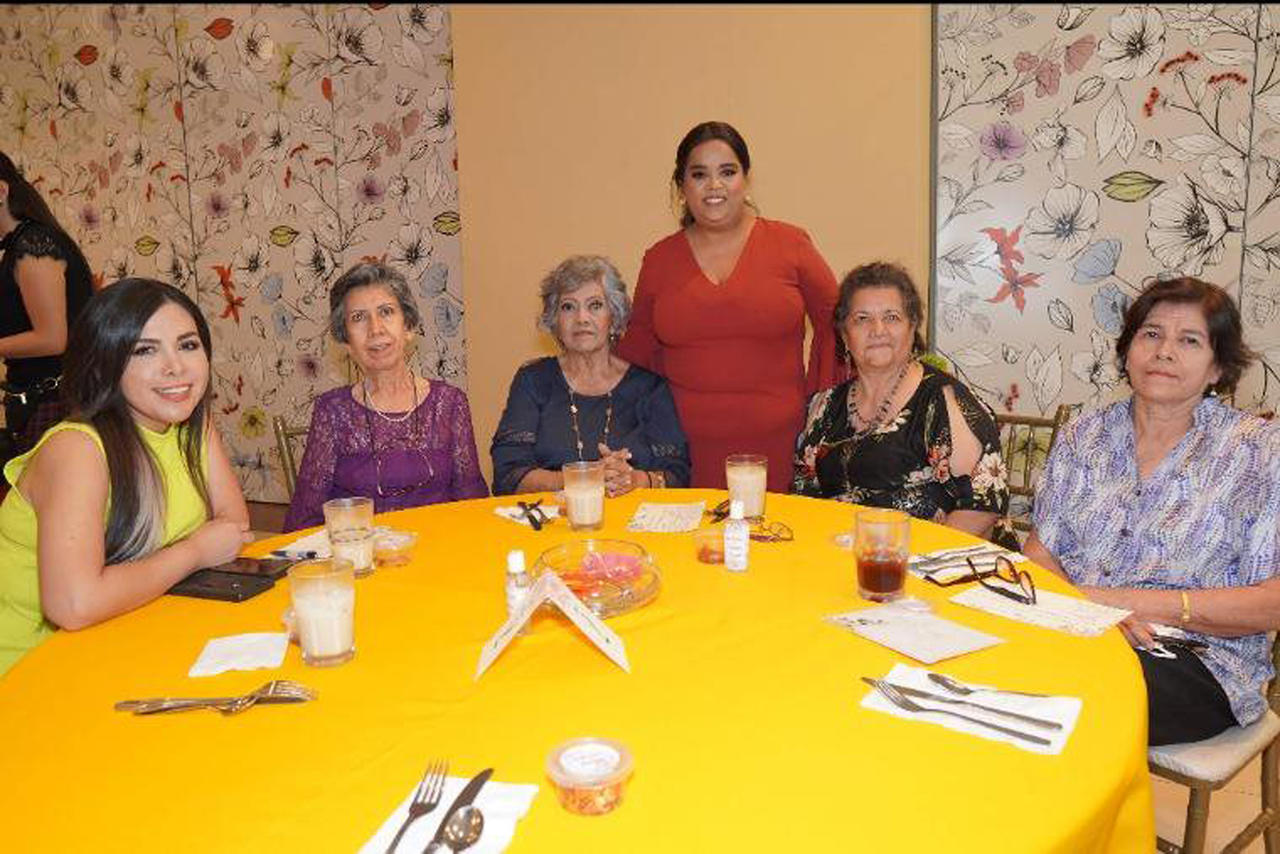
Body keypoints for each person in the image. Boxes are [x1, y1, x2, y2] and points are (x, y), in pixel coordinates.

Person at [1025, 277, 1280, 746]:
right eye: (1151, 334)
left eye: (1189, 340)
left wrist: (1126, 605)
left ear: (1217, 367)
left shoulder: (1259, 452)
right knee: (981, 665)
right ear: (1127, 352)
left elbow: (1272, 601)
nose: (1164, 351)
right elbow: (1040, 550)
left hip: (1199, 658)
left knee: (1058, 702)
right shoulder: (1084, 435)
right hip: (1073, 629)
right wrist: (1085, 614)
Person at [0, 278, 252, 674]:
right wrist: (194, 553)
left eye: (188, 345)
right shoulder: (77, 449)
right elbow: (74, 604)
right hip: (27, 676)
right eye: (144, 350)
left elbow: (233, 527)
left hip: (120, 643)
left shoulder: (191, 427)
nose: (176, 367)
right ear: (105, 363)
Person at [615, 121, 844, 492]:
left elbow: (841, 326)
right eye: (699, 174)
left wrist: (823, 409)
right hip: (683, 458)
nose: (714, 186)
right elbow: (638, 355)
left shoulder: (791, 244)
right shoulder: (658, 259)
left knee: (777, 547)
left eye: (727, 172)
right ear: (681, 186)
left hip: (780, 447)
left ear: (746, 179)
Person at [792, 262, 1008, 537]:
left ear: (912, 326)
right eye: (862, 318)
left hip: (937, 565)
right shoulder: (823, 407)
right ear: (845, 335)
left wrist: (911, 561)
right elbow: (804, 499)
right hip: (844, 559)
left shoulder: (943, 401)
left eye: (892, 317)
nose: (877, 329)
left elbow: (982, 507)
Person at [284, 262, 488, 531]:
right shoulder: (332, 411)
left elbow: (472, 503)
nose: (375, 328)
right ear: (346, 341)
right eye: (358, 318)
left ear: (409, 327)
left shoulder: (449, 403)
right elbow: (305, 519)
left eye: (386, 312)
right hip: (363, 562)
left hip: (439, 556)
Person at [491, 255, 690, 496]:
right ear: (554, 320)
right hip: (551, 527)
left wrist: (634, 479)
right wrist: (583, 479)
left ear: (614, 317)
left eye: (595, 305)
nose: (582, 318)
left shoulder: (650, 388)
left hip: (635, 526)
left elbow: (678, 476)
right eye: (568, 307)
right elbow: (508, 476)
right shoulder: (533, 381)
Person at [0, 151, 94, 460]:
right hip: (45, 400)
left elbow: (53, 338)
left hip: (57, 403)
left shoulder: (33, 244)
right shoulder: (22, 244)